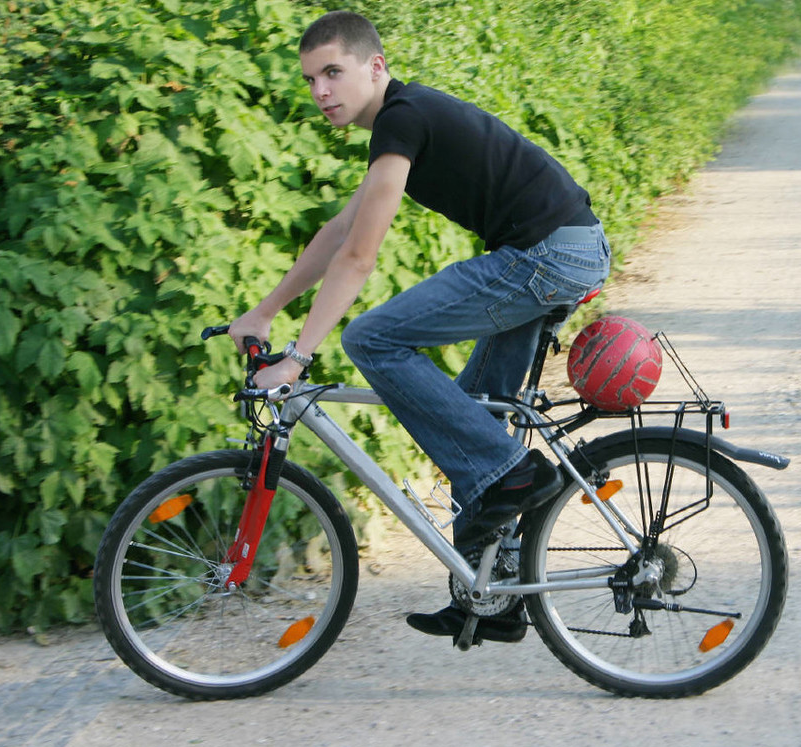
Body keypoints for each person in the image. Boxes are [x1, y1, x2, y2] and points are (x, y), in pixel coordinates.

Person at [228, 10, 610, 644]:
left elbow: (360, 258)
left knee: (372, 338)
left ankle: (512, 472)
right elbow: (340, 233)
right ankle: (495, 595)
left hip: (548, 254)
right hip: (560, 248)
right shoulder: (403, 120)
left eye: (333, 73)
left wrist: (298, 354)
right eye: (311, 80)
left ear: (375, 68)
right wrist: (265, 310)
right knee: (473, 416)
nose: (321, 91)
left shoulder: (402, 119)